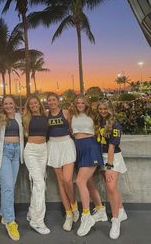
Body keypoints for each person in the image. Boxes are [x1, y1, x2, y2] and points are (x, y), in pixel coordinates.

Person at [0, 95, 24, 241]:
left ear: (14, 104)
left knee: (9, 186)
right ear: (2, 105)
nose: (8, 105)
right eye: (6, 103)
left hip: (16, 153)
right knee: (8, 186)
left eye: (10, 103)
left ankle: (4, 214)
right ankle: (10, 221)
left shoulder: (19, 117)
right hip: (3, 152)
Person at [70, 95, 104, 237]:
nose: (80, 104)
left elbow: (107, 121)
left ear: (86, 104)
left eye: (82, 102)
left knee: (80, 181)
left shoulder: (93, 115)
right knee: (89, 181)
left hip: (90, 147)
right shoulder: (71, 115)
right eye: (77, 102)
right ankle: (100, 209)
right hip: (77, 148)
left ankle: (86, 216)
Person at [46, 92, 79, 232]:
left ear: (58, 101)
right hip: (53, 146)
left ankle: (74, 205)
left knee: (67, 180)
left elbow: (74, 128)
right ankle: (69, 214)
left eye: (54, 100)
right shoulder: (45, 114)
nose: (52, 102)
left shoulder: (66, 112)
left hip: (67, 144)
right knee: (60, 182)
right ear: (47, 103)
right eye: (49, 101)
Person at [96, 100, 127, 239]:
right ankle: (121, 210)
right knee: (111, 188)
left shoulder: (115, 124)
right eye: (100, 108)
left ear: (110, 109)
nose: (102, 111)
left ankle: (116, 220)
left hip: (112, 157)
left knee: (111, 187)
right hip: (101, 156)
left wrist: (109, 166)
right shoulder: (99, 122)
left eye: (105, 108)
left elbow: (111, 147)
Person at [22, 95, 50, 234]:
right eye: (31, 103)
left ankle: (31, 213)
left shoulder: (46, 117)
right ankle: (37, 221)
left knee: (39, 183)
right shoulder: (26, 118)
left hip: (43, 150)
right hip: (31, 151)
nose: (33, 105)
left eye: (35, 103)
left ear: (39, 104)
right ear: (29, 106)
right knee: (40, 184)